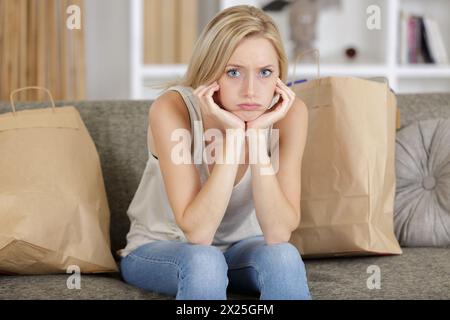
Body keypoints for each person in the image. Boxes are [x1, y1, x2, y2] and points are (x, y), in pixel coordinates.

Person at [118, 5, 311, 300]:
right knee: (205, 261)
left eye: (265, 73)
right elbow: (199, 233)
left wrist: (257, 137)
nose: (251, 91)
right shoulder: (172, 109)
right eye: (233, 72)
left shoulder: (291, 114)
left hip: (241, 251)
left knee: (283, 257)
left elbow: (278, 233)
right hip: (162, 248)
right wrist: (235, 135)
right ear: (210, 71)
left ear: (279, 78)